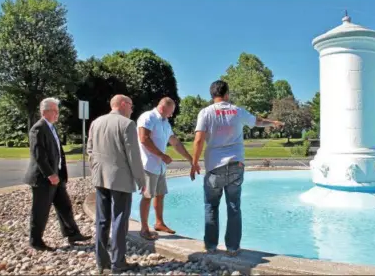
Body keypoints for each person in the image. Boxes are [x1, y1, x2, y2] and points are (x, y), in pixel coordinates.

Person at [190, 80, 284, 256]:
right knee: (233, 206)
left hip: (214, 167)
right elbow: (258, 121)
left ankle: (210, 246)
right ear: (226, 94)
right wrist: (273, 122)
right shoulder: (238, 111)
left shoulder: (205, 113)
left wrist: (194, 163)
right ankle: (233, 248)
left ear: (212, 95)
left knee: (211, 206)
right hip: (236, 165)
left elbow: (198, 139)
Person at [87, 94, 145, 274]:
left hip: (100, 177)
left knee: (102, 220)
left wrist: (95, 169)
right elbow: (134, 156)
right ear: (123, 104)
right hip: (120, 179)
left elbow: (89, 149)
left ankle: (102, 262)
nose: (132, 109)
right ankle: (118, 262)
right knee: (120, 220)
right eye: (131, 106)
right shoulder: (127, 124)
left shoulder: (96, 122)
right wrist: (141, 180)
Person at [23, 97, 91, 252]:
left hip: (56, 176)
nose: (57, 114)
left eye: (57, 111)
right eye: (55, 111)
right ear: (45, 111)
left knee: (65, 206)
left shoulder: (51, 128)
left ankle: (72, 234)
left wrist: (59, 174)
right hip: (43, 179)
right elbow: (38, 155)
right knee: (40, 211)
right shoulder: (38, 128)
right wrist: (50, 174)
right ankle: (35, 241)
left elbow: (57, 153)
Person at [137, 97, 194, 240]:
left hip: (159, 166)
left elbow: (175, 142)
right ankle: (144, 229)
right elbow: (144, 139)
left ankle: (159, 223)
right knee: (147, 196)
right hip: (148, 164)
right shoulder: (148, 117)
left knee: (160, 194)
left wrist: (190, 158)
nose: (171, 115)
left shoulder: (165, 122)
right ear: (163, 108)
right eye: (170, 112)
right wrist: (162, 155)